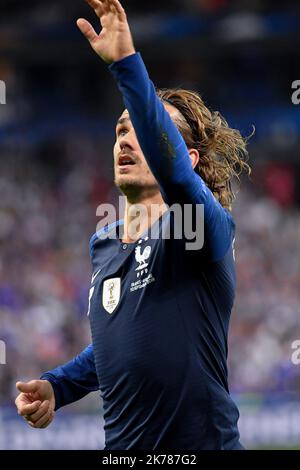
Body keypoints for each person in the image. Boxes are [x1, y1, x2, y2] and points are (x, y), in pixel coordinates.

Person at [15, 0, 251, 450]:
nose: (127, 137)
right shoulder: (102, 243)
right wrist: (59, 386)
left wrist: (125, 65)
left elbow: (175, 173)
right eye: (122, 130)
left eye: (144, 130)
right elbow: (120, 342)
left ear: (189, 158)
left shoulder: (201, 230)